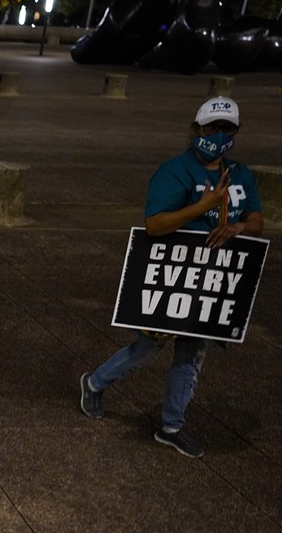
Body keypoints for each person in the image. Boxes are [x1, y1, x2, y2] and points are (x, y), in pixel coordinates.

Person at [79, 96, 263, 459]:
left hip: (210, 280)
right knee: (148, 347)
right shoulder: (174, 172)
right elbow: (155, 224)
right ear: (196, 130)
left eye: (227, 130)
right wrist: (203, 207)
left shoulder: (241, 174)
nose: (219, 136)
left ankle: (171, 426)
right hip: (171, 273)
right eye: (212, 129)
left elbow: (257, 221)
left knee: (191, 353)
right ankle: (95, 381)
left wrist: (238, 227)